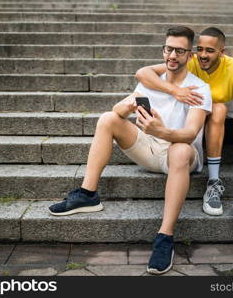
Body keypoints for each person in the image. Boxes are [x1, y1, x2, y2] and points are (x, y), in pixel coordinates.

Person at [48, 26, 212, 275]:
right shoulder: (152, 81)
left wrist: (161, 131)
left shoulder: (199, 89)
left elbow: (190, 134)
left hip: (180, 155)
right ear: (163, 50)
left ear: (189, 56)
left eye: (180, 51)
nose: (172, 56)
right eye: (169, 49)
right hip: (149, 149)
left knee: (179, 150)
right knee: (107, 118)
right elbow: (117, 109)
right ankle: (87, 194)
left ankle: (164, 238)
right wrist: (125, 110)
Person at [135, 27, 233, 223]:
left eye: (210, 50)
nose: (203, 55)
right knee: (218, 108)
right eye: (200, 49)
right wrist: (174, 90)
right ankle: (213, 182)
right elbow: (142, 73)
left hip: (229, 126)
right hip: (196, 129)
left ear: (222, 53)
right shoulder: (191, 61)